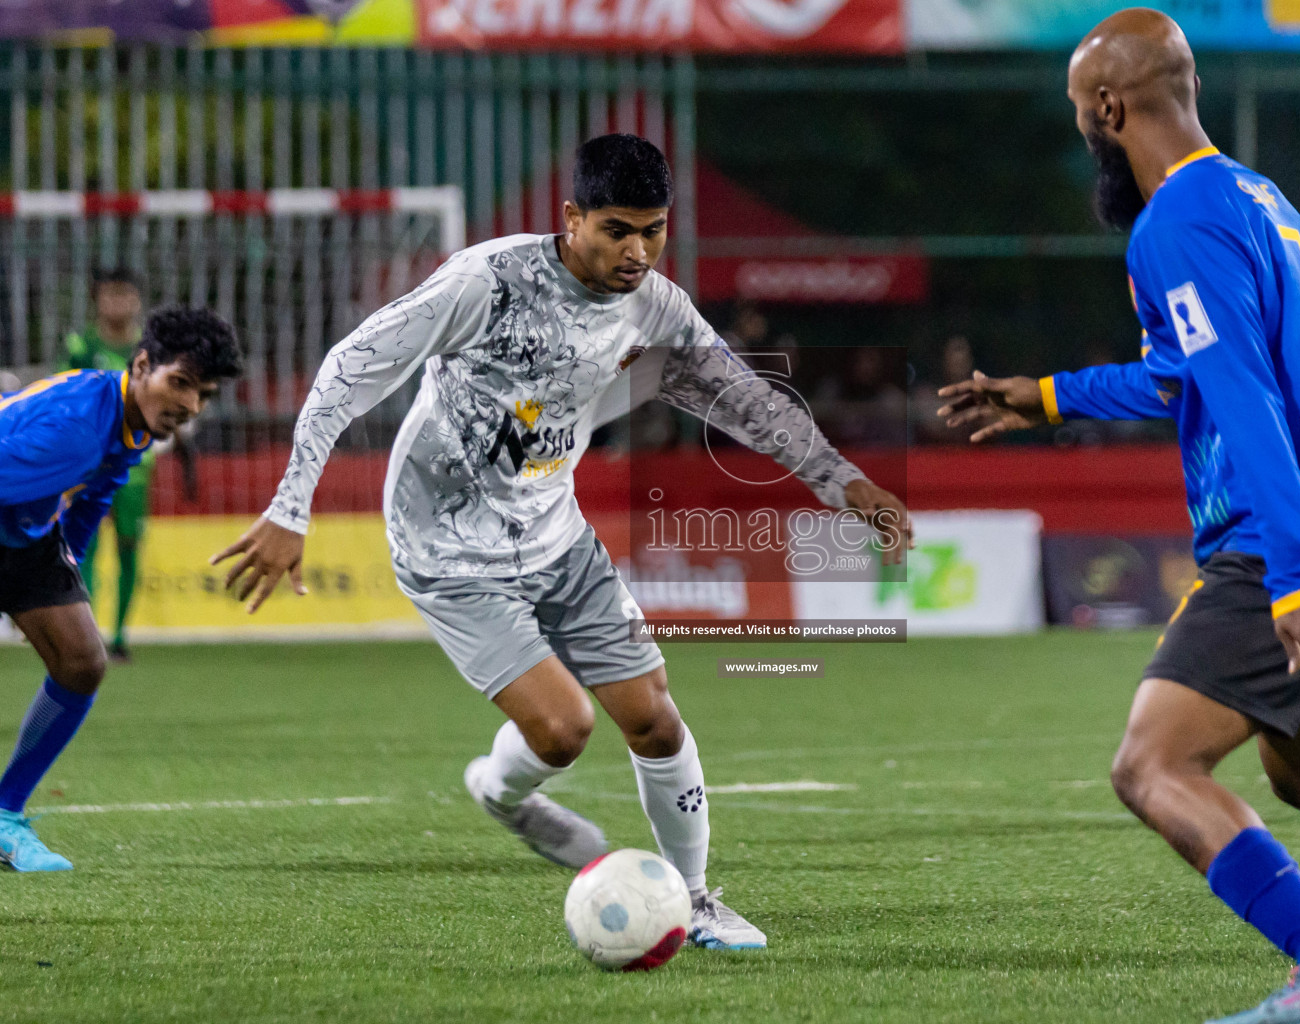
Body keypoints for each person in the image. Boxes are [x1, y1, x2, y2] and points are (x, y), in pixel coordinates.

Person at [938, 9, 1300, 1022]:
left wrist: (1295, 573)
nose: (1088, 138)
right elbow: (1187, 377)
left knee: (1152, 762)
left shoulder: (1174, 220)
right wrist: (1046, 396)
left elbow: (1249, 399)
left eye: (1083, 119)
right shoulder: (1259, 198)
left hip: (1291, 542)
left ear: (1110, 109)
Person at [212, 133, 911, 952]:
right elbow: (350, 367)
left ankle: (692, 901)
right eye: (617, 229)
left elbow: (745, 398)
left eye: (652, 230)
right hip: (448, 550)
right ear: (571, 217)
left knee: (654, 721)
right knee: (564, 731)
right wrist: (292, 506)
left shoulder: (654, 303)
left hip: (556, 536)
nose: (637, 250)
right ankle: (502, 794)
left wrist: (843, 481)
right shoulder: (487, 283)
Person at [0, 307, 241, 871]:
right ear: (142, 365)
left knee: (82, 661)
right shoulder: (75, 429)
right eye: (179, 383)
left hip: (27, 536)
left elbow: (95, 495)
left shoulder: (129, 416)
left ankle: (5, 814)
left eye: (202, 393)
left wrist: (63, 584)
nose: (188, 405)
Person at [62, 269, 198, 663]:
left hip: (136, 465)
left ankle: (119, 636)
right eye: (110, 295)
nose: (117, 303)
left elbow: (176, 400)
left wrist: (186, 453)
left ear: (137, 300)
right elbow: (65, 396)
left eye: (125, 295)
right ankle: (84, 636)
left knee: (127, 545)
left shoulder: (155, 350)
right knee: (82, 546)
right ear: (97, 300)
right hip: (89, 464)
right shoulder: (81, 346)